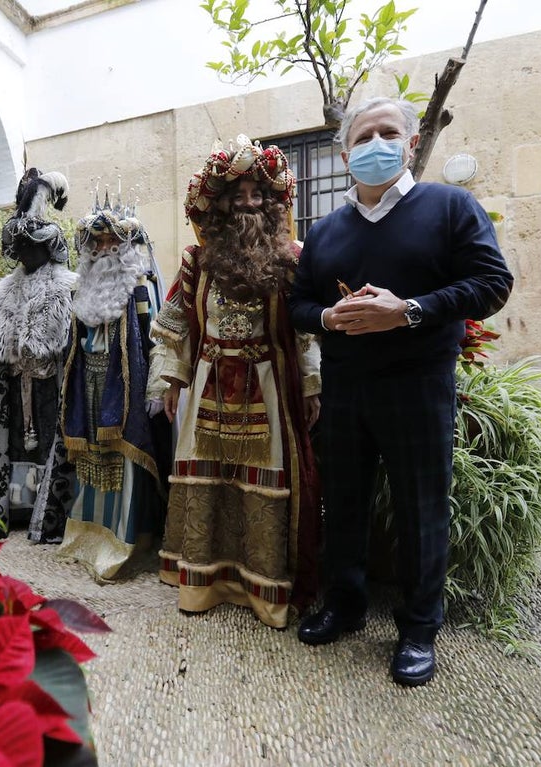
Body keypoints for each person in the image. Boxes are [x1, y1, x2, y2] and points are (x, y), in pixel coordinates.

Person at [287, 97, 514, 687]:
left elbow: (492, 284)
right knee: (346, 501)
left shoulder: (450, 207)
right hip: (345, 388)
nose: (375, 143)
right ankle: (346, 602)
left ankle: (417, 627)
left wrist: (410, 311)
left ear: (411, 144)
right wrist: (329, 319)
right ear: (344, 154)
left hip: (418, 387)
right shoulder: (324, 232)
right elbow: (298, 306)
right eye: (363, 137)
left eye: (389, 133)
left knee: (421, 510)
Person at [151, 136, 322, 630]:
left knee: (262, 481)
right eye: (237, 194)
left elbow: (305, 329)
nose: (247, 203)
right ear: (220, 203)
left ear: (271, 204)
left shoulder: (292, 258)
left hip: (268, 388)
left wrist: (310, 384)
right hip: (207, 381)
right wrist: (171, 383)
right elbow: (176, 324)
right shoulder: (195, 261)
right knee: (208, 478)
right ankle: (202, 585)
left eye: (257, 195)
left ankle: (263, 590)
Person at [58, 193, 173, 581]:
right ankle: (87, 532)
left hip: (126, 387)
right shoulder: (81, 289)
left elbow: (157, 338)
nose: (104, 249)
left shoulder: (139, 285)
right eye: (98, 243)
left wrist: (156, 389)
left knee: (125, 461)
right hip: (87, 381)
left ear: (125, 247)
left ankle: (126, 538)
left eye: (112, 243)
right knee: (91, 457)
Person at [0, 168, 77, 543]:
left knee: (49, 443)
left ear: (48, 247)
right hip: (14, 386)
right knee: (13, 445)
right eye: (21, 246)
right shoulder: (0, 294)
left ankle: (49, 514)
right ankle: (15, 508)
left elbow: (69, 347)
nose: (26, 252)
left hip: (50, 385)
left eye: (33, 245)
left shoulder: (67, 288)